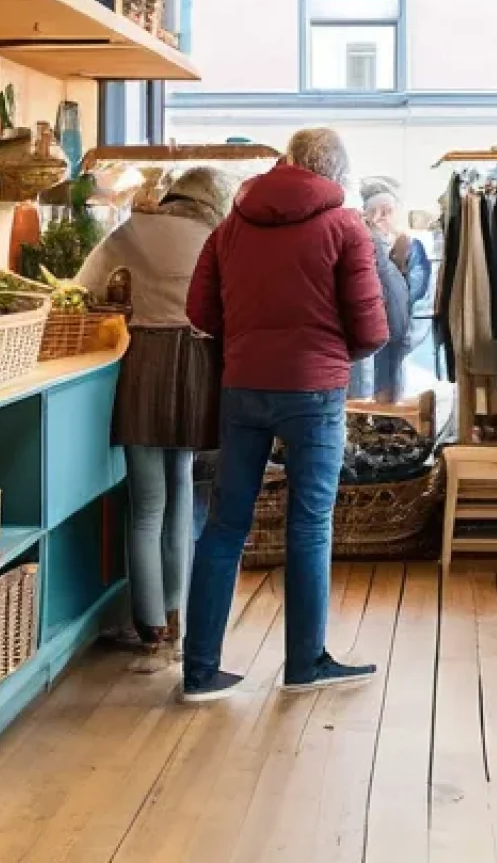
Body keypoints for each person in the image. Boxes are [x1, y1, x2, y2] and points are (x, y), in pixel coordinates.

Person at [181, 128, 388, 702]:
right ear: (336, 175)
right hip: (315, 392)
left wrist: (249, 340)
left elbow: (200, 311)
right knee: (309, 525)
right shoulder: (346, 226)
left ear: (289, 163)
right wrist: (328, 351)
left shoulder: (230, 226)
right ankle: (305, 664)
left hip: (243, 387)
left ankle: (198, 671)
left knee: (224, 528)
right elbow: (371, 330)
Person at [76, 166, 231, 657]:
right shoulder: (216, 236)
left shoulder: (131, 230)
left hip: (142, 363)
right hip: (195, 366)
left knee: (146, 505)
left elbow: (85, 287)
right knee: (182, 494)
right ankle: (175, 612)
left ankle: (146, 626)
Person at [349, 176, 432, 403]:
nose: (380, 218)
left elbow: (418, 299)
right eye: (374, 211)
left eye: (387, 211)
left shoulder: (409, 246)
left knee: (390, 404)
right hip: (359, 350)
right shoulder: (355, 244)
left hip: (395, 347)